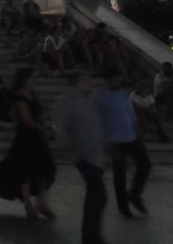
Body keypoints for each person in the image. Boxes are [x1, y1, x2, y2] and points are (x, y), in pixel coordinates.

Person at [0, 68, 56, 220]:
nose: (34, 80)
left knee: (46, 168)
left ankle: (41, 201)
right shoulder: (18, 97)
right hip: (26, 138)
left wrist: (43, 127)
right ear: (25, 78)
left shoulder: (31, 94)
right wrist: (43, 129)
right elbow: (25, 119)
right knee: (24, 171)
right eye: (32, 77)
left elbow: (38, 115)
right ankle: (28, 204)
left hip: (36, 137)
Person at [55, 72, 108, 244]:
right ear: (76, 83)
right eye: (85, 81)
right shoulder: (66, 100)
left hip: (95, 153)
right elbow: (62, 126)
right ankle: (90, 236)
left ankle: (91, 234)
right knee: (98, 193)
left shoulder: (89, 99)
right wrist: (65, 144)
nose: (88, 83)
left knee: (96, 194)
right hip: (82, 154)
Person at [97, 67, 151, 218]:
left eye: (120, 81)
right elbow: (97, 120)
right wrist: (106, 141)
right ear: (107, 80)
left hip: (130, 136)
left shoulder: (123, 94)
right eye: (115, 81)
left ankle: (134, 194)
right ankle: (123, 206)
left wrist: (139, 135)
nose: (119, 84)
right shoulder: (100, 97)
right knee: (119, 173)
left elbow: (131, 116)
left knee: (145, 164)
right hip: (114, 140)